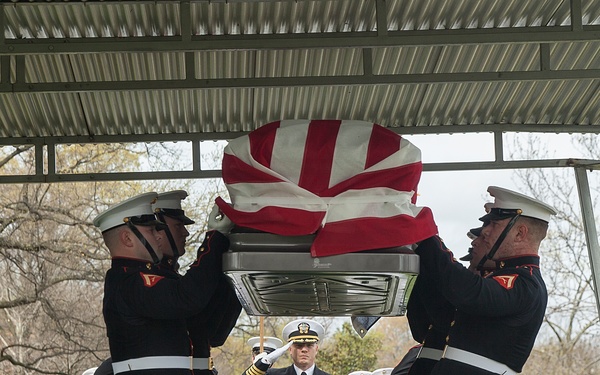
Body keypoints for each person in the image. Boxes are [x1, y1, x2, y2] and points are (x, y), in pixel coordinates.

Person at [414, 186, 557, 375]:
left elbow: (470, 293)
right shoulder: (507, 277)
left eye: (494, 225)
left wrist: (424, 236)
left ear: (520, 234)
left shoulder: (524, 282)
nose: (486, 231)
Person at [93, 192, 229, 374]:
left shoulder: (138, 278)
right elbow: (186, 297)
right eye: (151, 230)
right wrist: (214, 238)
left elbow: (208, 324)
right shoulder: (129, 281)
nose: (158, 236)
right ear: (127, 238)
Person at [154, 192, 242, 375]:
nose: (185, 232)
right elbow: (190, 297)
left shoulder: (172, 281)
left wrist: (229, 247)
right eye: (178, 225)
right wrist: (214, 239)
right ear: (156, 231)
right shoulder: (151, 283)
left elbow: (215, 333)